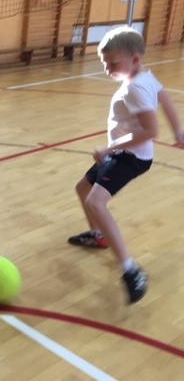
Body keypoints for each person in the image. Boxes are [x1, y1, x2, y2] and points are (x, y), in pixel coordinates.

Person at [67, 26, 184, 304]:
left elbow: (150, 131)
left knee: (95, 202)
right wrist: (179, 130)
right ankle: (98, 236)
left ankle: (131, 270)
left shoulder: (135, 88)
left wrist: (109, 148)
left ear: (135, 59)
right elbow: (165, 98)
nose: (107, 69)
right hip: (122, 154)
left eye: (113, 63)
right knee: (83, 188)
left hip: (131, 157)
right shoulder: (145, 77)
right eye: (104, 63)